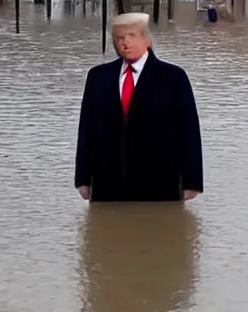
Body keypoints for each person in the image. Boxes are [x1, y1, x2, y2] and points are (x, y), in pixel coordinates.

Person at [75, 12, 203, 202]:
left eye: (131, 36)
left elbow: (189, 131)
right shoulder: (98, 77)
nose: (124, 42)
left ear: (147, 40)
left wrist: (192, 182)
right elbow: (86, 130)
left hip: (159, 183)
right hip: (107, 183)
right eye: (119, 38)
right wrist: (82, 179)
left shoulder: (173, 77)